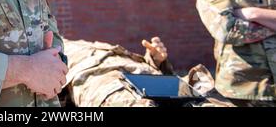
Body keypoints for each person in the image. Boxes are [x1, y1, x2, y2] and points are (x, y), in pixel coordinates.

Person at [60, 37, 230, 107]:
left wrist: (155, 60)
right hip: (99, 82)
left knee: (201, 101)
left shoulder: (75, 41)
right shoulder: (42, 50)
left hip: (143, 75)